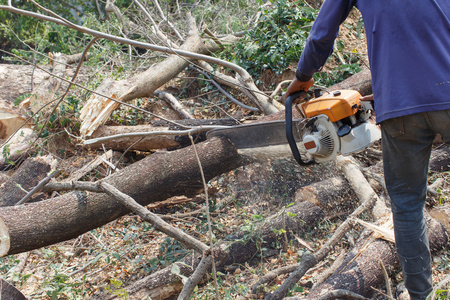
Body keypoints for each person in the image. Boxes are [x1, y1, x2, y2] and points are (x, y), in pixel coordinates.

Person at [285, 1, 450, 299]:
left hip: (400, 111)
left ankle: (420, 294)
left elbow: (323, 32)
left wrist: (304, 76)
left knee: (407, 203)